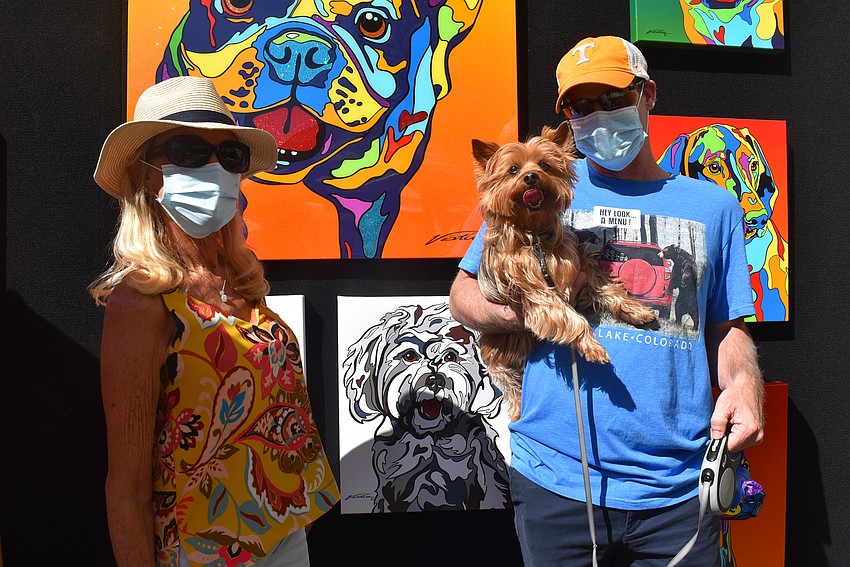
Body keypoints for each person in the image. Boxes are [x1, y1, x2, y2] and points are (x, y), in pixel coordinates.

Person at [449, 36, 764, 566]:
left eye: (612, 99)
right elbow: (462, 296)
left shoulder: (714, 205)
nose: (596, 116)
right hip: (555, 475)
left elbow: (726, 325)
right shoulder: (539, 193)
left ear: (648, 95)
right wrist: (518, 308)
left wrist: (744, 383)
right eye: (579, 106)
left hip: (678, 485)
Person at [89, 76, 339, 567]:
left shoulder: (239, 277)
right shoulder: (143, 302)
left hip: (283, 529)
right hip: (202, 551)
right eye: (186, 150)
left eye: (230, 155)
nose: (214, 168)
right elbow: (127, 485)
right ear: (145, 175)